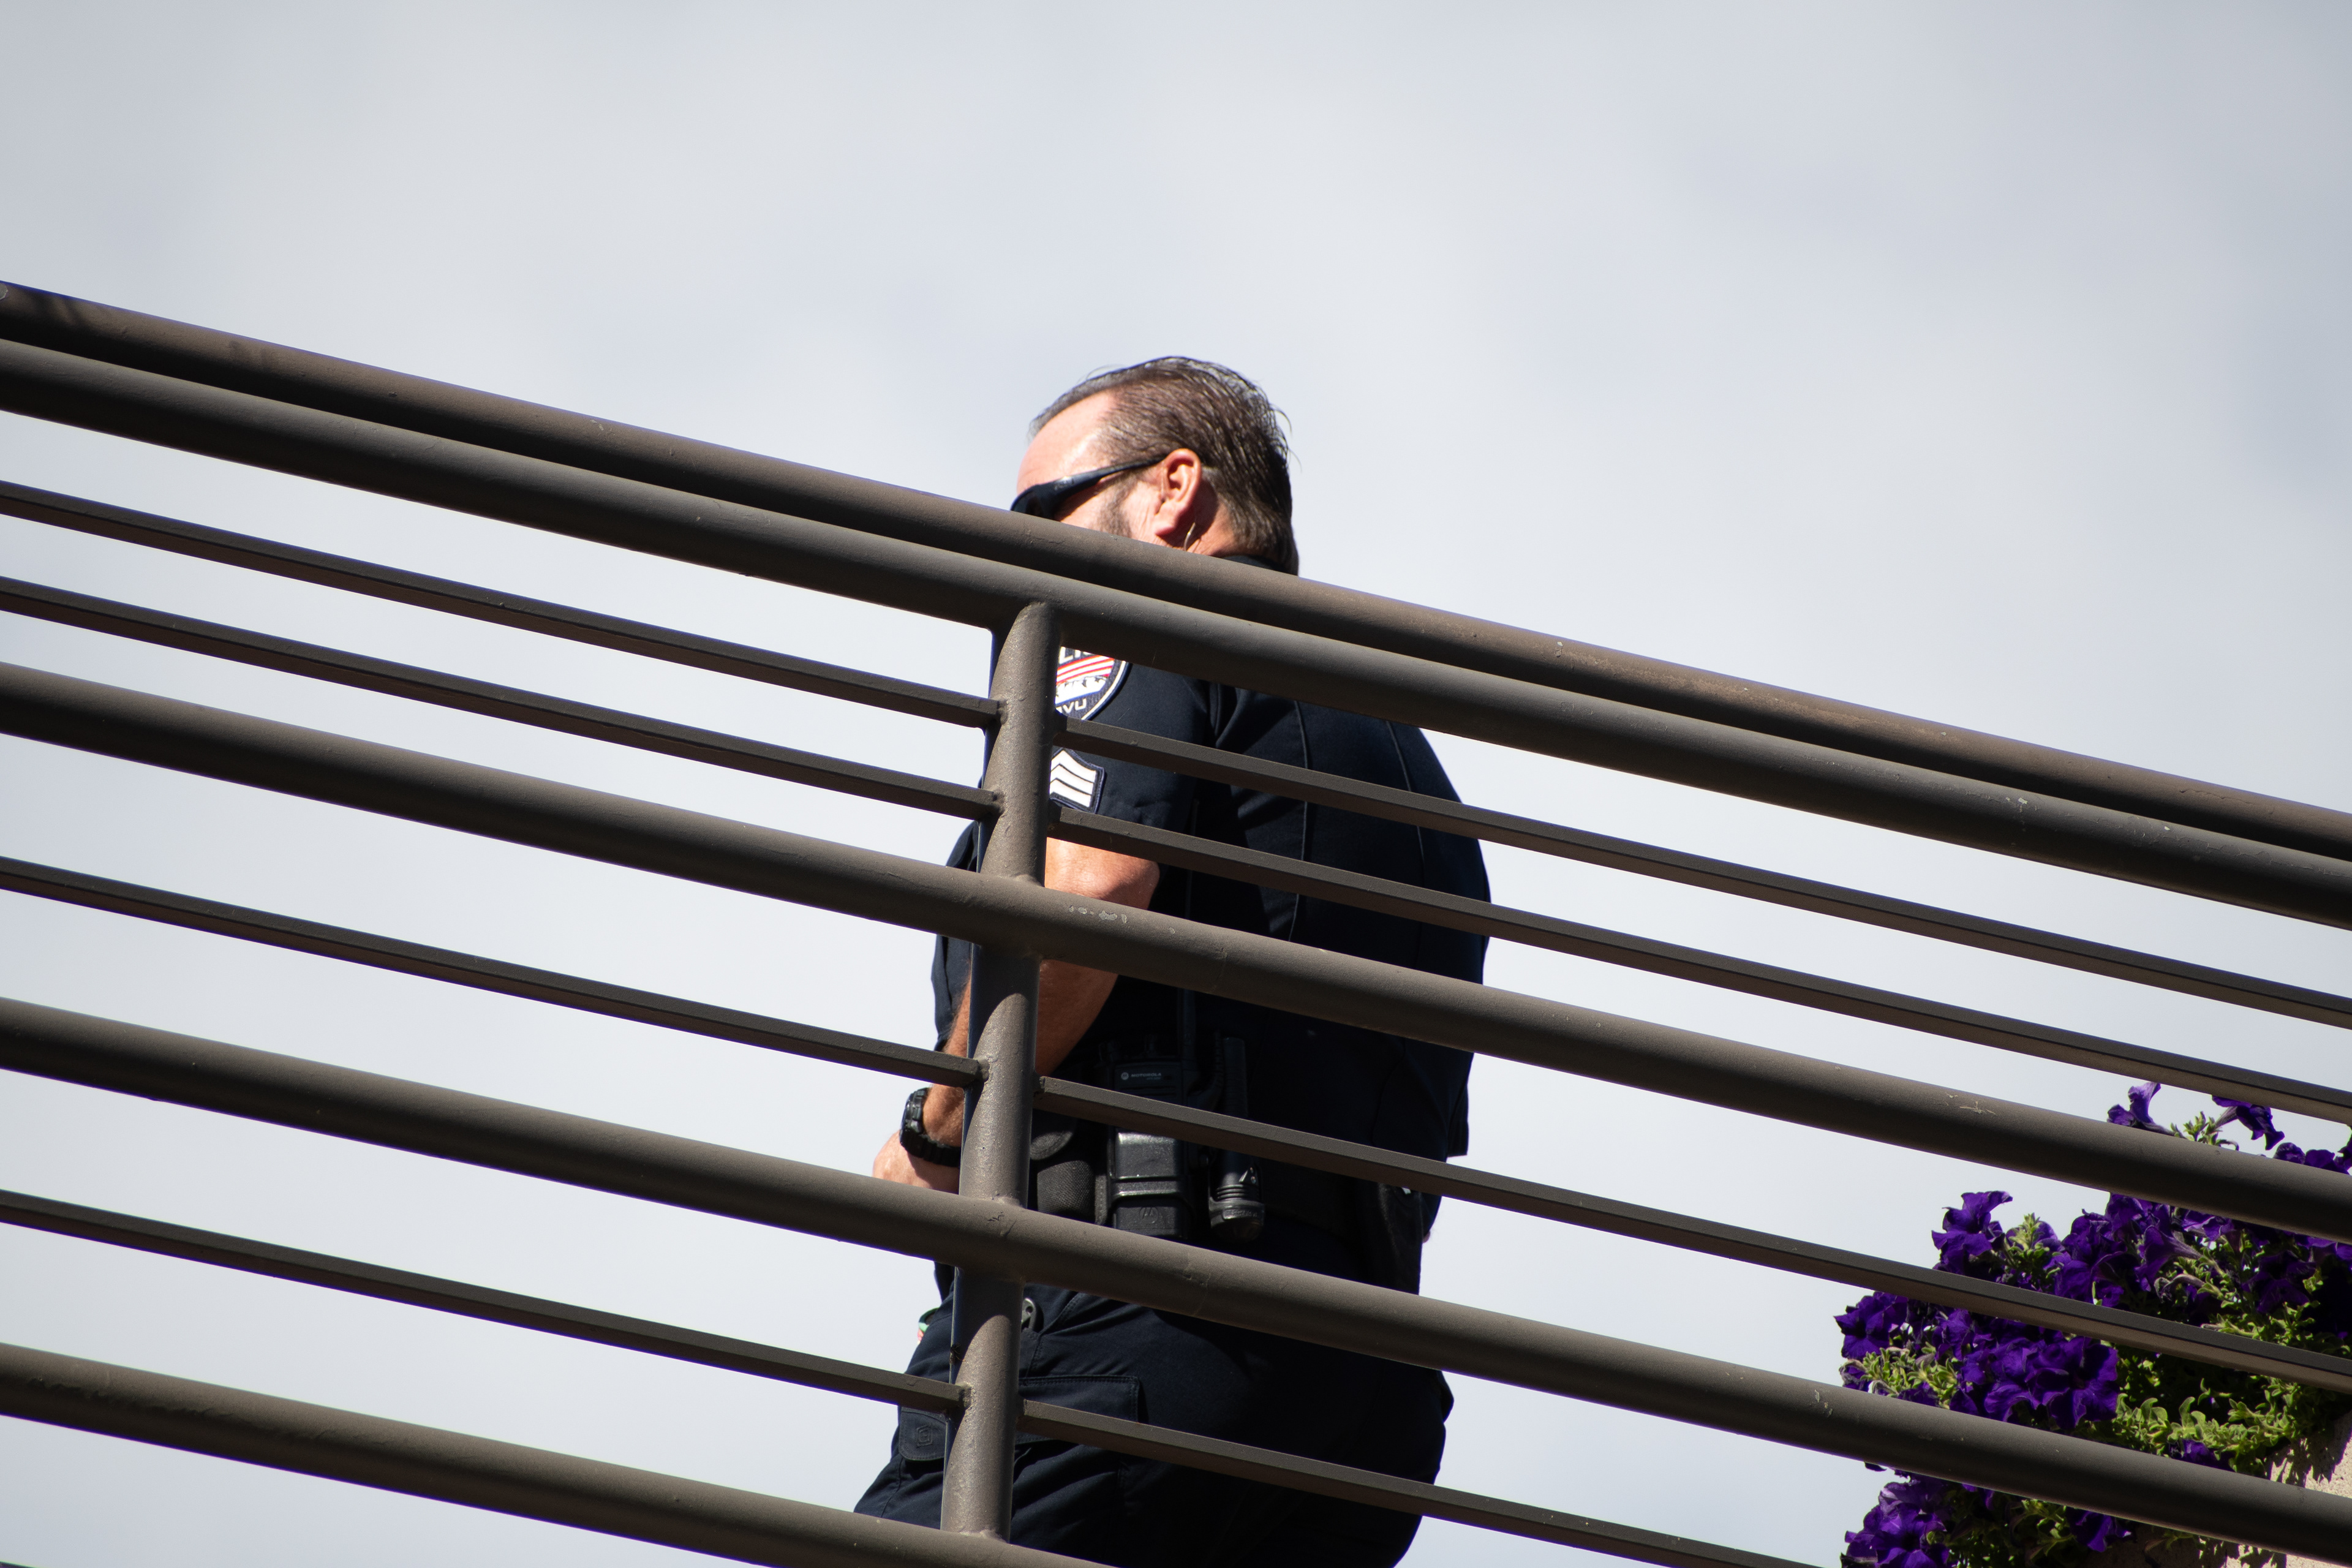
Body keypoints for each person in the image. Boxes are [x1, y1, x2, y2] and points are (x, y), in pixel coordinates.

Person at [855, 359, 1489, 1567]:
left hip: (1126, 1316)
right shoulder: (1402, 754)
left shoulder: (1128, 624)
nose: (1017, 555)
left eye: (1040, 513)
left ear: (1172, 491)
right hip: (1362, 1389)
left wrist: (938, 1127)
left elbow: (1089, 889)